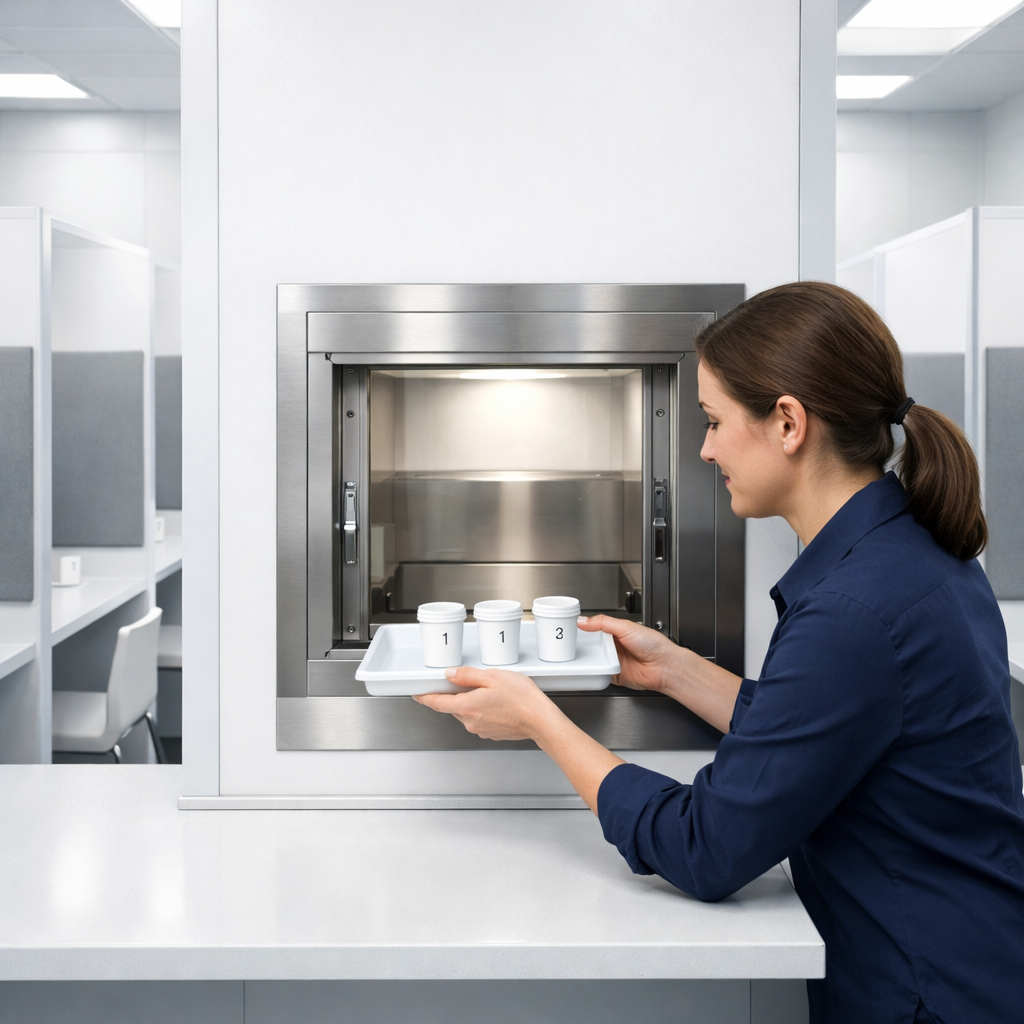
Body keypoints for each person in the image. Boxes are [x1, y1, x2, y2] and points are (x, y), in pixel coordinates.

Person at [415, 281, 1024, 1024]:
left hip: (928, 991)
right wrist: (673, 670)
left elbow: (706, 848)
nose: (705, 449)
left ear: (789, 423)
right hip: (975, 959)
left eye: (713, 421)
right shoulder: (910, 553)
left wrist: (541, 720)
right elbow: (826, 730)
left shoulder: (852, 612)